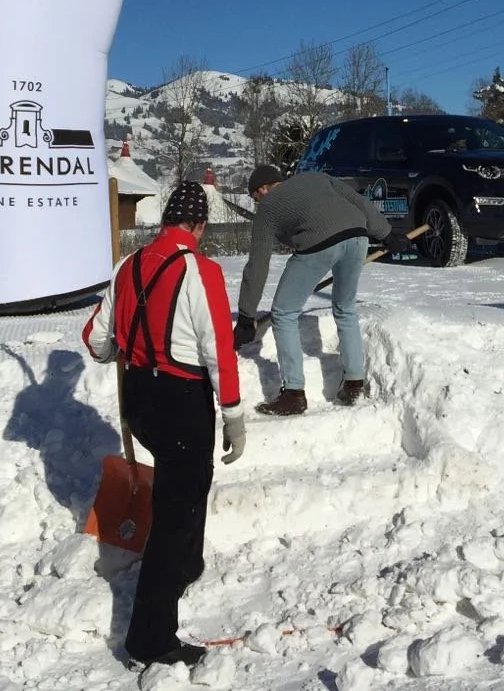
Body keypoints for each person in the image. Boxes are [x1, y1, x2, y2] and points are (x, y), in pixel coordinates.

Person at [81, 182, 244, 673]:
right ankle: (151, 638)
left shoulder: (127, 266)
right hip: (181, 401)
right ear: (199, 226)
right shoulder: (202, 270)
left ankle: (184, 567)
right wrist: (234, 415)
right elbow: (219, 348)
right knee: (176, 509)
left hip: (139, 398)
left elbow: (95, 339)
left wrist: (120, 348)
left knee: (191, 483)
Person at [233, 164, 408, 416]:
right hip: (358, 238)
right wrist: (387, 233)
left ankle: (293, 394)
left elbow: (257, 266)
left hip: (318, 244)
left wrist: (246, 316)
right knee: (345, 308)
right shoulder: (316, 178)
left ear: (262, 188)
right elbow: (358, 200)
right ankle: (354, 383)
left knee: (283, 313)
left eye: (255, 197)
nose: (257, 202)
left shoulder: (268, 207)